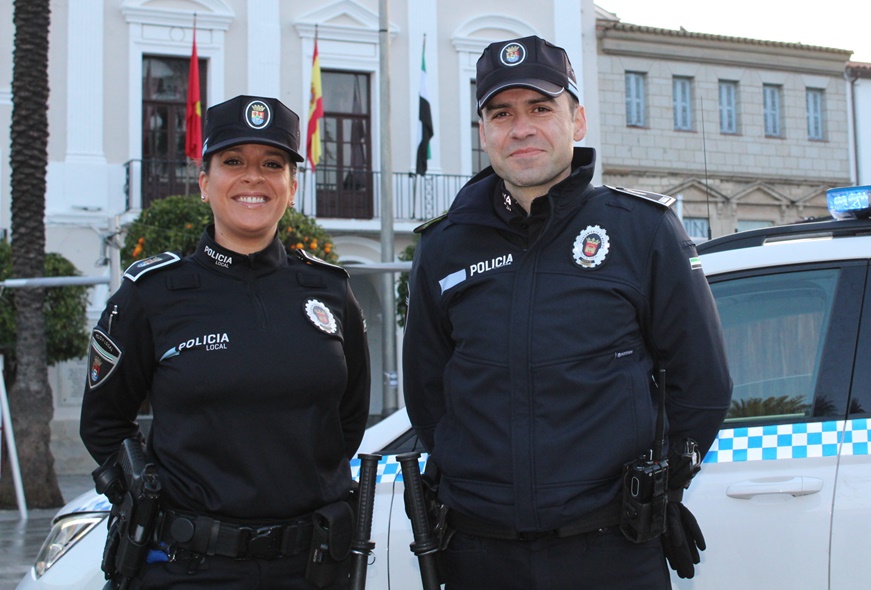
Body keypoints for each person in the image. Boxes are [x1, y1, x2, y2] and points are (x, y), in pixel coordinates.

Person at [402, 35, 732, 589]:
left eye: (541, 108)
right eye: (501, 113)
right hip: (480, 555)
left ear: (577, 120)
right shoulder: (443, 248)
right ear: (484, 132)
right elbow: (428, 395)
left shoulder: (643, 231)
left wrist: (662, 486)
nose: (521, 127)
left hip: (609, 552)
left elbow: (702, 384)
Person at [80, 95, 371, 589]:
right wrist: (149, 493)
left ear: (292, 187)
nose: (253, 177)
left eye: (272, 164)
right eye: (232, 161)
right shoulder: (151, 294)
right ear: (204, 183)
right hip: (190, 568)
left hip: (312, 567)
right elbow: (104, 423)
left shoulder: (329, 290)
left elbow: (347, 421)